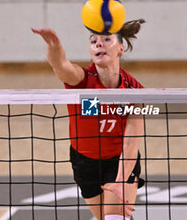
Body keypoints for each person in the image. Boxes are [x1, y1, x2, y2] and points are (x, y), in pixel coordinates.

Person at [32, 19, 146, 220]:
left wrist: (120, 180)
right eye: (93, 41)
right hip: (85, 162)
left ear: (121, 48)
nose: (98, 44)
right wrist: (53, 46)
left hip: (119, 160)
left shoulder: (133, 90)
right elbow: (61, 65)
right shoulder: (82, 81)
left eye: (106, 40)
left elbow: (132, 139)